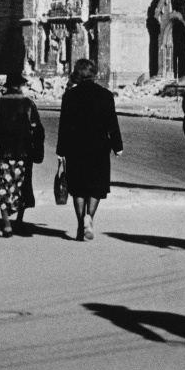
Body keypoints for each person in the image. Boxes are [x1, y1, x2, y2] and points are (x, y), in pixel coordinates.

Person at [55, 59, 123, 241]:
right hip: (99, 147)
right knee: (96, 186)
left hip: (75, 147)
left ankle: (80, 224)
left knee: (78, 188)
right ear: (94, 74)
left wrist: (60, 150)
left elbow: (64, 126)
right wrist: (118, 146)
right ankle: (89, 217)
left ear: (77, 74)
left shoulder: (69, 96)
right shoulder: (106, 95)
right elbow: (112, 123)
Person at [0, 70, 45, 236]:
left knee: (2, 187)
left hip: (2, 153)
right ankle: (19, 221)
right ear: (20, 87)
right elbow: (37, 128)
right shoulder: (28, 103)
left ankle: (6, 223)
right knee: (21, 187)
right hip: (23, 154)